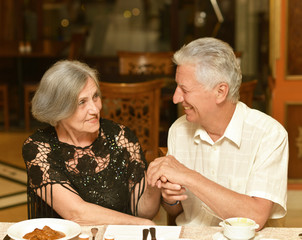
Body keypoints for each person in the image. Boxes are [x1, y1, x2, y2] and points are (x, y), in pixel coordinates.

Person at [147, 37, 288, 230]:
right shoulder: (179, 131)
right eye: (177, 87)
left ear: (221, 91)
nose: (175, 98)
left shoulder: (269, 134)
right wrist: (170, 199)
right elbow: (176, 212)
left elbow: (256, 217)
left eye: (185, 90)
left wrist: (188, 176)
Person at [22, 60, 161, 225]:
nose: (95, 109)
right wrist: (138, 224)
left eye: (95, 96)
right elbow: (76, 214)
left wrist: (154, 186)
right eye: (82, 102)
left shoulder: (120, 136)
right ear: (58, 108)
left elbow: (143, 212)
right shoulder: (38, 147)